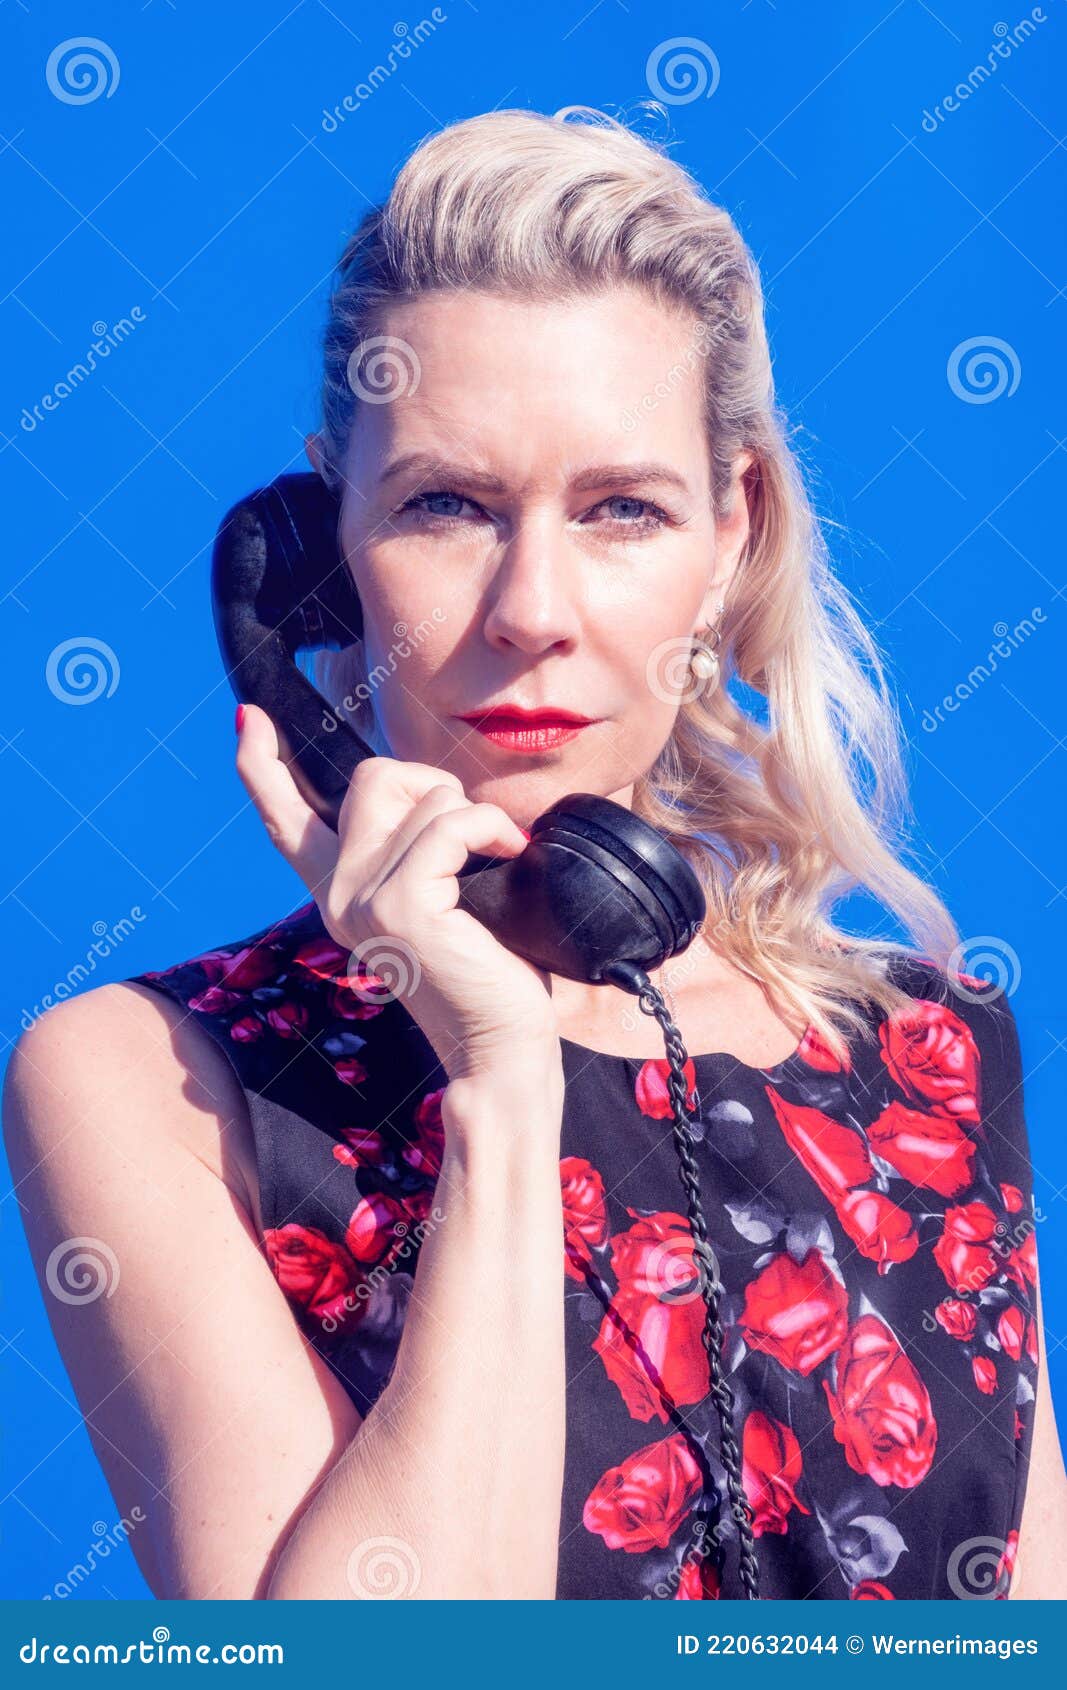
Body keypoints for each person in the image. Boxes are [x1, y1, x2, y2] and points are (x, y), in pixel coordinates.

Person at [5, 105, 1065, 1602]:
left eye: (623, 508)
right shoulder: (150, 1080)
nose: (530, 609)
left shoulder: (929, 1049)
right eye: (448, 506)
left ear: (727, 538)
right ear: (322, 553)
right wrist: (501, 1089)